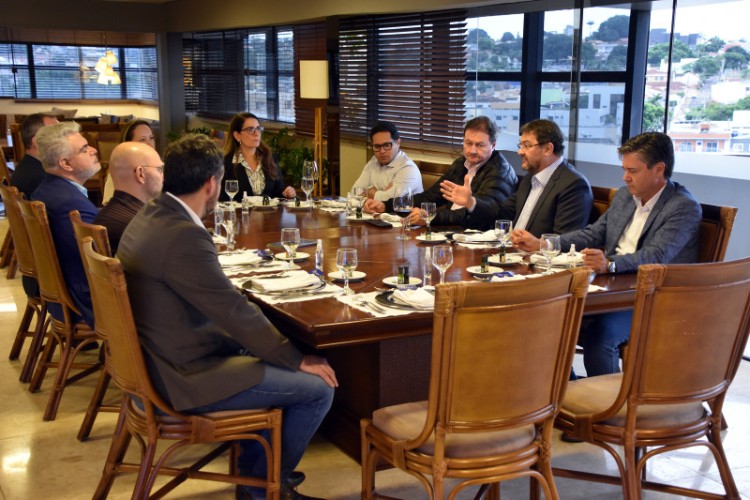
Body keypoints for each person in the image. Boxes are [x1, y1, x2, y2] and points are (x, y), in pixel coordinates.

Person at [117, 134, 336, 500]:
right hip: (182, 376)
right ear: (212, 184)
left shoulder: (151, 215)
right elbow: (234, 312)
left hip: (155, 361)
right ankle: (264, 487)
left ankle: (256, 476)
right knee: (318, 389)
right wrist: (295, 358)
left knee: (264, 350)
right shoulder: (183, 235)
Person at [512, 131, 702, 377]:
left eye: (632, 171)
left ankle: (605, 401)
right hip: (611, 290)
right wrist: (544, 244)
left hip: (652, 298)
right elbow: (594, 233)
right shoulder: (625, 196)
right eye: (624, 169)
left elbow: (656, 255)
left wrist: (609, 263)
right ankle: (568, 390)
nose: (625, 177)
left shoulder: (683, 207)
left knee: (599, 336)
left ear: (658, 170)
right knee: (546, 319)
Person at [364, 116, 517, 230]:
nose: (472, 150)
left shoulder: (500, 171)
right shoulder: (460, 164)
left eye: (480, 145)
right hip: (452, 231)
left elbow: (480, 215)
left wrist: (431, 216)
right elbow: (431, 196)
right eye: (468, 143)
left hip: (478, 236)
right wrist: (385, 205)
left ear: (493, 145)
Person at [32, 121, 101, 328]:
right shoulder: (72, 206)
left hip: (62, 298)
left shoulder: (47, 190)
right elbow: (100, 260)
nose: (93, 150)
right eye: (84, 149)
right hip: (87, 302)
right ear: (66, 164)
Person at [486, 119, 593, 236]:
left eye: (527, 146)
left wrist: (535, 243)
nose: (520, 152)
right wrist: (473, 203)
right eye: (521, 145)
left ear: (548, 149)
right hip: (510, 244)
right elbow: (503, 213)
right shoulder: (530, 177)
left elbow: (563, 239)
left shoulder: (574, 185)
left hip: (534, 248)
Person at [93, 142, 164, 253]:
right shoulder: (139, 228)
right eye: (160, 169)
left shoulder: (109, 214)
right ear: (141, 174)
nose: (163, 176)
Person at [220, 112, 296, 202]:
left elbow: (279, 192)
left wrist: (288, 193)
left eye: (258, 129)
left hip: (269, 211)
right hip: (240, 211)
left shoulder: (270, 158)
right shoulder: (226, 163)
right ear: (237, 135)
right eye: (251, 130)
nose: (256, 134)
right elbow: (223, 199)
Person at [350, 120, 423, 200]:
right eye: (377, 146)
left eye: (387, 145)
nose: (382, 151)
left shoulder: (408, 169)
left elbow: (391, 200)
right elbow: (355, 192)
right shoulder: (373, 161)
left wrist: (371, 193)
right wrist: (381, 194)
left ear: (398, 143)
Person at [10, 113, 60, 198]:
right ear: (37, 141)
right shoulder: (41, 179)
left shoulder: (27, 166)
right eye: (56, 134)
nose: (65, 139)